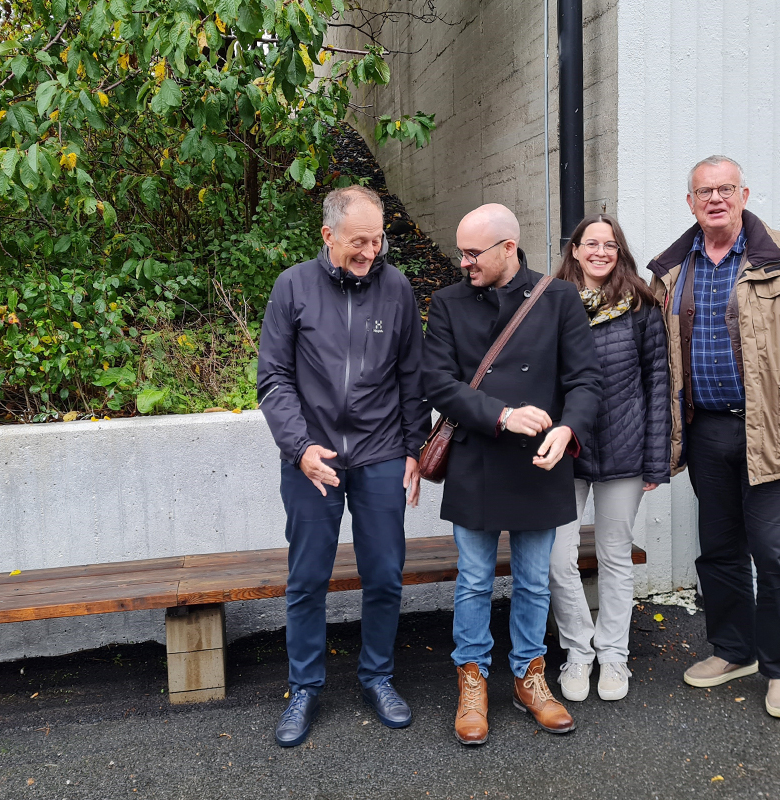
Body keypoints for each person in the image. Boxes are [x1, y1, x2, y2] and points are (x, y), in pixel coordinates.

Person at [646, 156, 780, 719]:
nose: (715, 198)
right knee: (719, 550)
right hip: (706, 431)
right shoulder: (672, 270)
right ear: (690, 202)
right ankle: (733, 651)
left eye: (725, 188)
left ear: (744, 194)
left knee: (775, 552)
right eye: (704, 191)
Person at [422, 203, 601, 745]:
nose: (464, 262)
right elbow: (438, 382)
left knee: (532, 579)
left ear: (507, 248)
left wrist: (567, 430)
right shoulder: (448, 303)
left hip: (539, 460)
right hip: (477, 457)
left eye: (473, 253)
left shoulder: (559, 298)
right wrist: (501, 415)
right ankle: (472, 678)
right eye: (460, 252)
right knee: (474, 580)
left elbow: (585, 381)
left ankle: (529, 676)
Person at [257, 185, 430, 746]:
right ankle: (304, 687)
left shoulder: (396, 287)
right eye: (359, 241)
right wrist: (300, 448)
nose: (370, 252)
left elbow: (412, 376)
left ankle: (377, 676)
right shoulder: (292, 287)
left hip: (382, 454)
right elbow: (273, 378)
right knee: (308, 579)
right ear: (328, 235)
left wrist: (414, 449)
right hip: (313, 457)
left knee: (384, 574)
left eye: (377, 241)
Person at [548, 213, 670, 703]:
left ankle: (614, 655)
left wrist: (656, 458)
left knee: (615, 555)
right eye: (591, 243)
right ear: (575, 250)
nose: (600, 252)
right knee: (557, 557)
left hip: (625, 448)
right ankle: (579, 651)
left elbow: (658, 383)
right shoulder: (551, 302)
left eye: (610, 244)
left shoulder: (641, 305)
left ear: (620, 252)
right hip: (566, 449)